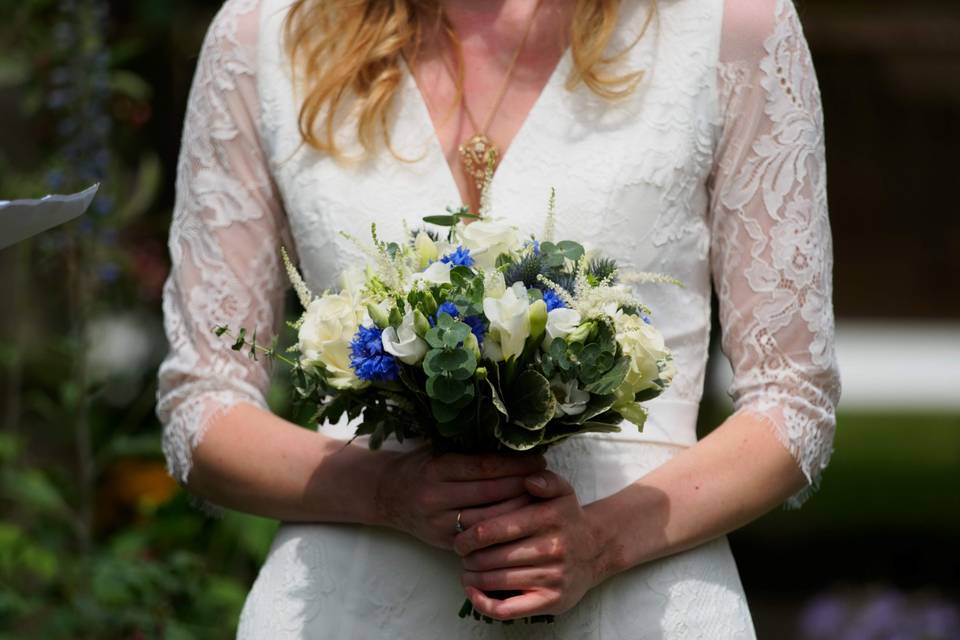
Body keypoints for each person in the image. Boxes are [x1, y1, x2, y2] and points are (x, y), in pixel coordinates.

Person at [157, 0, 841, 636]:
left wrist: (600, 543)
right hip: (350, 602)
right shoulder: (267, 37)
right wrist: (389, 492)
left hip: (638, 601)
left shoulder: (730, 26)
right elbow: (201, 402)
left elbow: (793, 398)